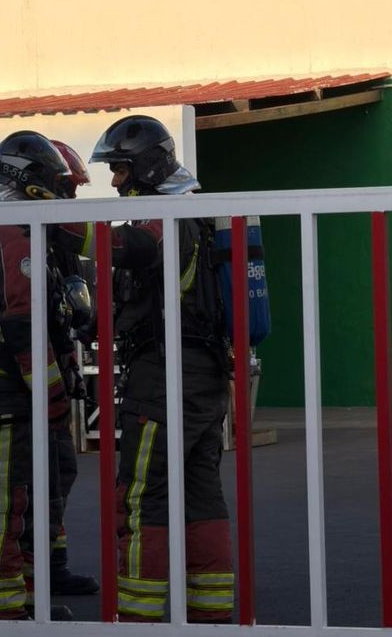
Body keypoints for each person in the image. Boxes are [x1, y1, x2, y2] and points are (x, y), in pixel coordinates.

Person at [88, 115, 235, 623]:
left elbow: (137, 249)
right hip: (203, 377)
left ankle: (139, 623)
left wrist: (56, 230)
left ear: (146, 168)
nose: (114, 182)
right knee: (201, 495)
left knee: (141, 498)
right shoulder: (195, 213)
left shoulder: (168, 217)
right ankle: (211, 618)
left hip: (165, 379)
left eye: (121, 171)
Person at [0, 130, 76, 621]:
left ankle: (13, 603)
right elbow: (23, 321)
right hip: (0, 393)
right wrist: (52, 396)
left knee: (5, 501)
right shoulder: (6, 229)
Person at [44, 139, 100, 596]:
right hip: (17, 389)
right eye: (67, 187)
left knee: (59, 473)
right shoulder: (13, 234)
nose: (72, 199)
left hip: (52, 378)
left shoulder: (53, 238)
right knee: (23, 485)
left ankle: (52, 569)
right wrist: (49, 390)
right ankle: (18, 591)